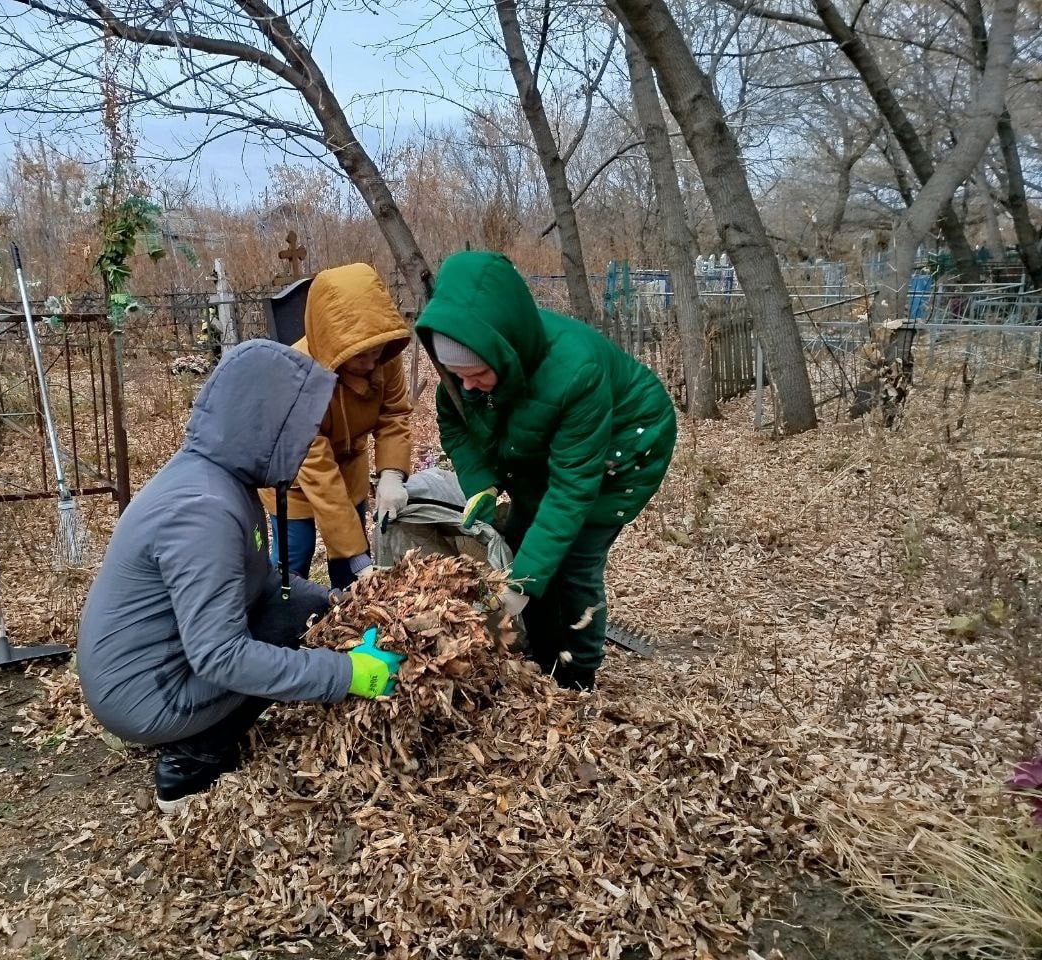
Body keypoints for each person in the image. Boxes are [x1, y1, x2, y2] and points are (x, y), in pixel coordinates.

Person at [78, 340, 406, 814]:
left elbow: (261, 579)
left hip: (159, 662)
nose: (309, 442)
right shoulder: (203, 512)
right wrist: (346, 674)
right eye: (300, 430)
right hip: (148, 695)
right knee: (276, 640)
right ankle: (192, 757)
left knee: (302, 611)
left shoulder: (219, 477)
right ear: (266, 426)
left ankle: (203, 729)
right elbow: (220, 655)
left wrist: (340, 606)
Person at [415, 251, 676, 691]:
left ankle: (578, 673)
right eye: (456, 377)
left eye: (476, 374)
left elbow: (571, 489)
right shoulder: (464, 379)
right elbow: (454, 426)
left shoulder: (575, 372)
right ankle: (539, 651)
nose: (466, 386)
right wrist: (480, 483)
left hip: (625, 445)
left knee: (574, 562)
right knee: (521, 544)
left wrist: (522, 584)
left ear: (505, 353)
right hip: (547, 445)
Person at [259, 262, 413, 589]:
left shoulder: (383, 351)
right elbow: (316, 470)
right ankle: (285, 626)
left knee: (349, 567)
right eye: (361, 357)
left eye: (377, 353)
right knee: (293, 559)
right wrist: (359, 558)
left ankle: (348, 623)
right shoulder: (295, 377)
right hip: (292, 475)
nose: (373, 363)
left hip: (350, 462)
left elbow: (393, 414)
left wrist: (392, 473)